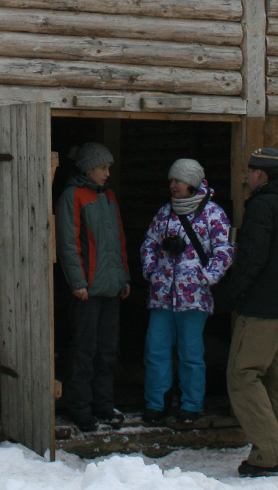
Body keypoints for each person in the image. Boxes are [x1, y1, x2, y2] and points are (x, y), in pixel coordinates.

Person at [217, 147, 278, 477]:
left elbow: (252, 258)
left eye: (250, 171)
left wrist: (230, 293)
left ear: (261, 174)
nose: (247, 177)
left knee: (242, 375)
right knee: (277, 379)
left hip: (261, 308)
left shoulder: (263, 204)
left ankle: (268, 454)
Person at [140, 158, 234, 424]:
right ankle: (156, 405)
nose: (173, 186)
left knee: (191, 354)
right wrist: (152, 271)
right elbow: (148, 244)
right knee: (156, 351)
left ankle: (192, 406)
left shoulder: (212, 214)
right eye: (171, 181)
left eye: (178, 181)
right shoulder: (164, 213)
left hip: (194, 297)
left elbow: (225, 250)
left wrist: (204, 277)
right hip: (161, 296)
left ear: (191, 183)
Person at [56, 142, 130, 432]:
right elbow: (68, 242)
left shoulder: (109, 197)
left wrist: (123, 277)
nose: (107, 173)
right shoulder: (73, 196)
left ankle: (104, 405)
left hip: (110, 288)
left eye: (108, 168)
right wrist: (77, 282)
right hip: (86, 290)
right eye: (103, 168)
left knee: (107, 351)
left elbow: (119, 241)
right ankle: (79, 407)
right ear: (88, 168)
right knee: (84, 351)